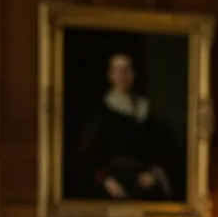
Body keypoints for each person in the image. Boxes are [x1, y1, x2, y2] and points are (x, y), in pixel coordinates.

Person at [75, 53, 177, 201]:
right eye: (117, 70)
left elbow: (165, 146)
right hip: (112, 180)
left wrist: (153, 174)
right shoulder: (101, 111)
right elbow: (85, 154)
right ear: (110, 75)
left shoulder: (147, 109)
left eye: (127, 70)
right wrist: (106, 180)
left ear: (134, 74)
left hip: (144, 177)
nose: (122, 75)